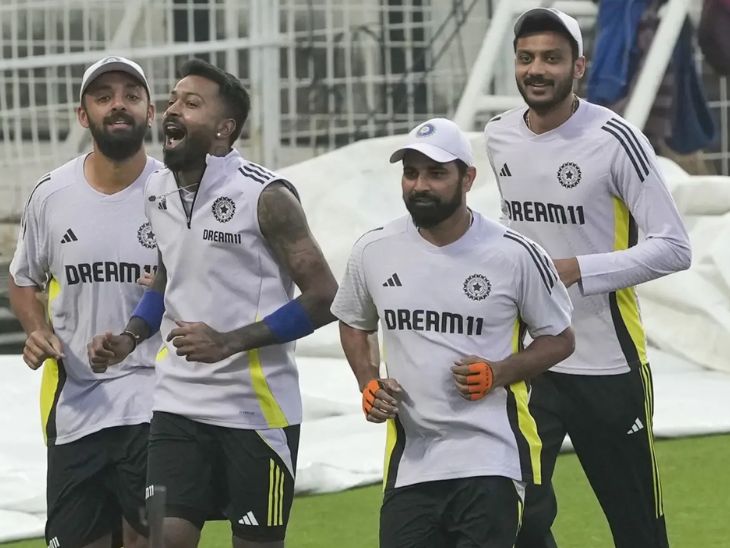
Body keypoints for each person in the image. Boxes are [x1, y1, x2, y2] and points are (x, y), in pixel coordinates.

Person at [87, 58, 338, 548]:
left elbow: (326, 297)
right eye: (173, 100)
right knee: (163, 540)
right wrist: (130, 337)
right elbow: (167, 277)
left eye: (191, 103)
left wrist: (228, 342)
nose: (173, 111)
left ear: (224, 129)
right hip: (175, 407)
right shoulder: (157, 189)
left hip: (256, 414)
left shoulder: (266, 195)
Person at [484, 8, 692, 548]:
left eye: (552, 58)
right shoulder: (499, 135)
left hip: (608, 364)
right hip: (532, 360)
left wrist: (576, 269)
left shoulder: (615, 138)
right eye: (526, 57)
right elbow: (516, 225)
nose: (536, 69)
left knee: (637, 528)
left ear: (578, 67)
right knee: (515, 517)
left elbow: (675, 248)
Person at [331, 117, 575, 548]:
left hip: (492, 457)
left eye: (436, 173)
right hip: (413, 463)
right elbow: (354, 321)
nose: (420, 185)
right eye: (411, 173)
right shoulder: (373, 250)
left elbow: (560, 339)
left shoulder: (515, 254)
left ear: (468, 178)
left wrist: (499, 372)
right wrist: (368, 382)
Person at [8, 56, 161, 548]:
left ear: (150, 112)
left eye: (131, 96)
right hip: (76, 408)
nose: (118, 105)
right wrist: (36, 330)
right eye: (103, 96)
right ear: (83, 115)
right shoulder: (51, 195)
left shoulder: (175, 195)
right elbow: (22, 280)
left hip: (157, 404)